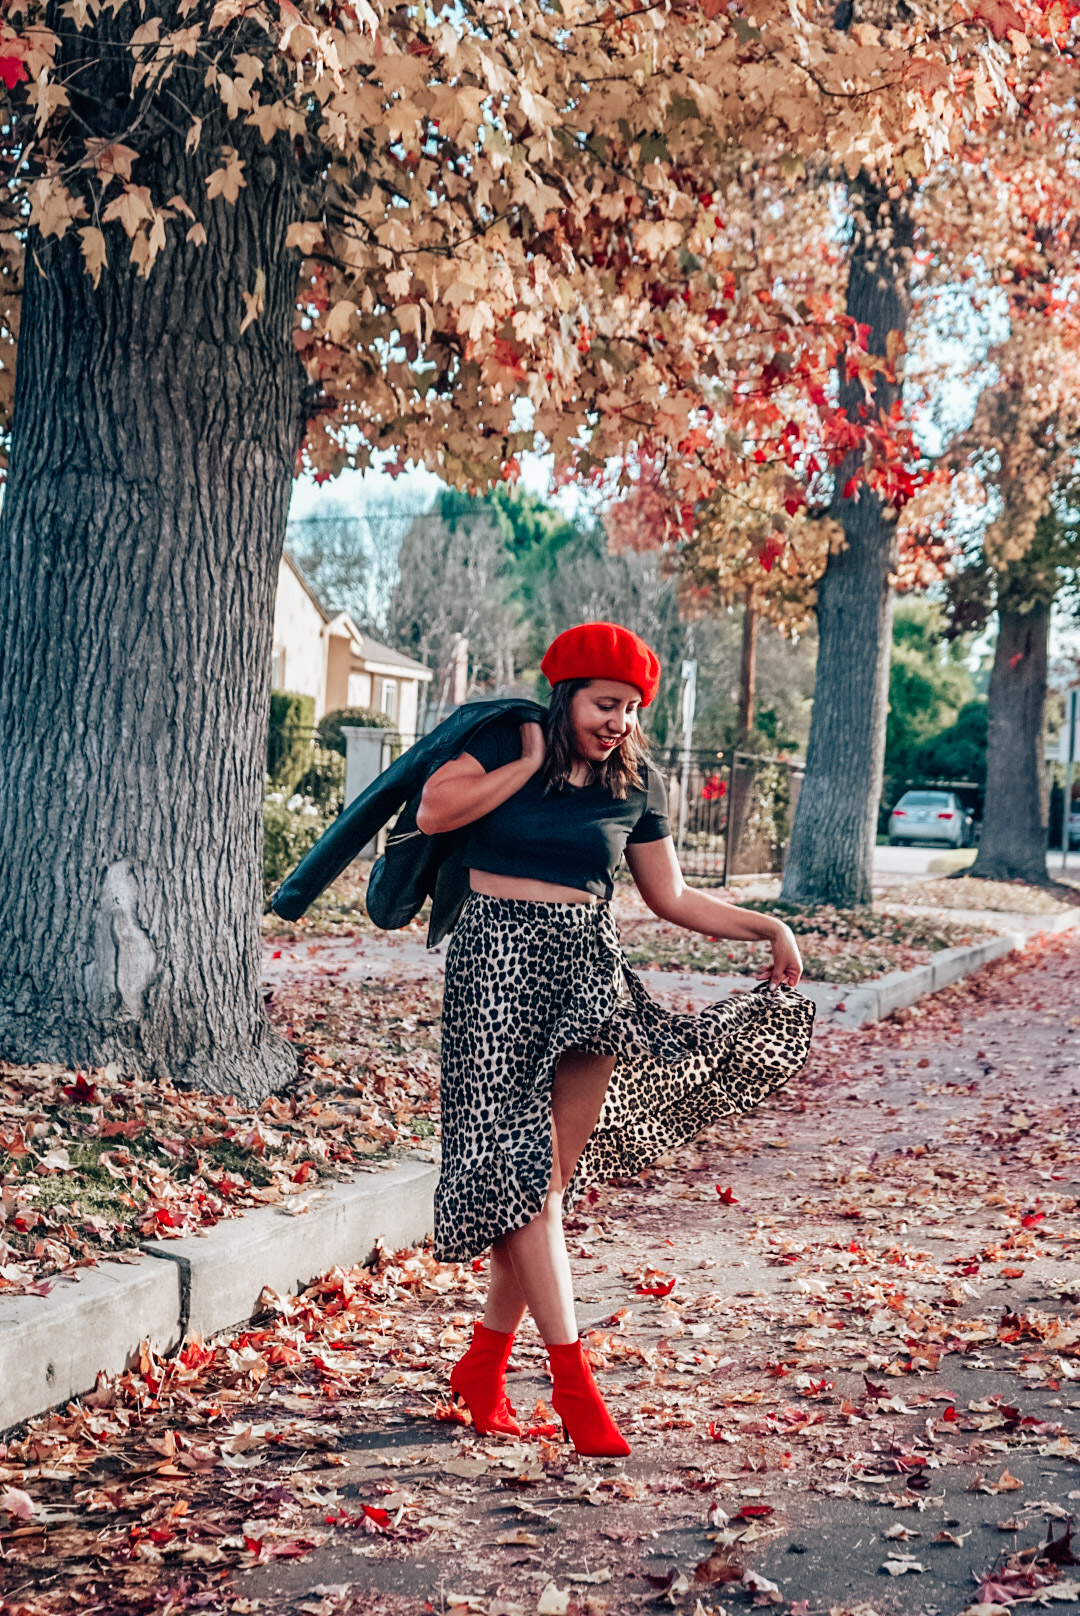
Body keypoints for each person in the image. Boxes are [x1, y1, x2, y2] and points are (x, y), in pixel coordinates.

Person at [416, 622, 810, 1458]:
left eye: (631, 709)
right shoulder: (501, 739)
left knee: (542, 1189)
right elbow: (434, 809)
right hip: (495, 967)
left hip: (588, 974)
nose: (619, 722)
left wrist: (766, 926)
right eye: (605, 705)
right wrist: (524, 766)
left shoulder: (635, 781)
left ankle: (483, 1368)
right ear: (565, 696)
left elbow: (671, 897)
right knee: (524, 1188)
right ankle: (571, 1382)